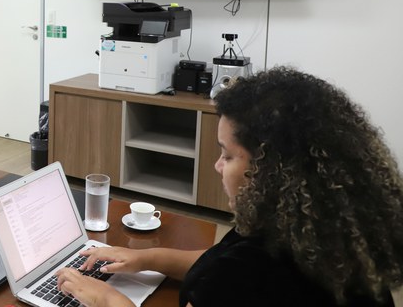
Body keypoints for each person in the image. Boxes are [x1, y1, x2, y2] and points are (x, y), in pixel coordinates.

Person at [56, 67, 403, 307]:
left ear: (273, 169)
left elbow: (227, 272)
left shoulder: (241, 279)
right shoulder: (328, 232)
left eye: (227, 155)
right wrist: (144, 258)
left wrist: (107, 299)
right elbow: (215, 259)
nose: (217, 166)